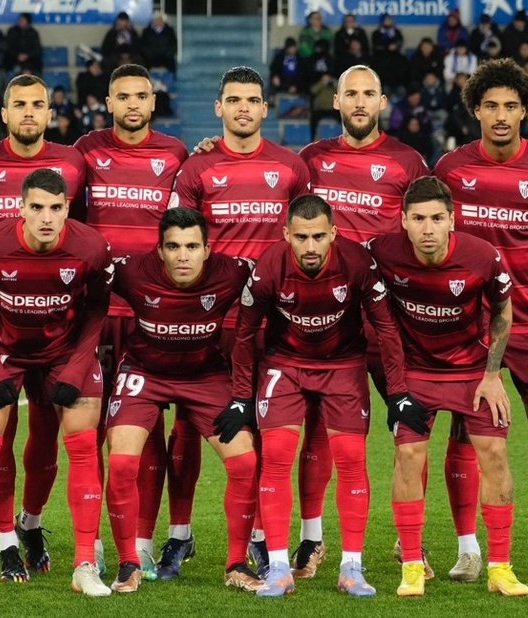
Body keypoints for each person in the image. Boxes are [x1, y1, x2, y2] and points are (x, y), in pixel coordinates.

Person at [433, 58, 528, 583]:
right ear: (475, 109)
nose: (501, 116)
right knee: (465, 434)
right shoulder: (451, 170)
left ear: (525, 110)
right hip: (470, 330)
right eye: (491, 106)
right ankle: (467, 549)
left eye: (511, 106)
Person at [230, 194, 424, 597]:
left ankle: (351, 566)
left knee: (352, 459)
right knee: (278, 456)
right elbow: (245, 333)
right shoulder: (269, 268)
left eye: (319, 236)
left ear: (334, 233)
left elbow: (385, 328)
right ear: (287, 235)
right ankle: (279, 568)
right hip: (285, 364)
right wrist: (239, 397)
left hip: (343, 365)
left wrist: (398, 392)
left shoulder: (357, 263)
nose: (311, 246)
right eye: (301, 237)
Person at [170, 65, 310, 580]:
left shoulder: (291, 168)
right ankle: (178, 536)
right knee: (187, 431)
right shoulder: (196, 168)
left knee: (264, 432)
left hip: (274, 324)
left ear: (265, 108)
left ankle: (256, 540)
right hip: (210, 323)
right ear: (219, 108)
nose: (243, 108)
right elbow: (178, 244)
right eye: (234, 100)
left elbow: (306, 236)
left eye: (253, 100)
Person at [0, 168, 113, 598]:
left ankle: (84, 565)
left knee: (81, 446)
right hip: (4, 348)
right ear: (21, 208)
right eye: (37, 207)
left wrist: (79, 366)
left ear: (67, 210)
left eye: (56, 208)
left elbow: (98, 306)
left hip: (65, 351)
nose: (47, 217)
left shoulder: (90, 247)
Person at [298, 63, 429, 579]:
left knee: (409, 429)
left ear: (381, 103)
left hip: (394, 320)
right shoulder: (310, 161)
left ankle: (407, 541)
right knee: (317, 433)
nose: (358, 102)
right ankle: (311, 540)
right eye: (350, 93)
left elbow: (429, 226)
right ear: (336, 101)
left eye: (368, 94)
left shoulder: (408, 161)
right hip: (325, 320)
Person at [0, 73, 86, 583]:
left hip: (59, 326)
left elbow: (85, 229)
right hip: (0, 328)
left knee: (48, 433)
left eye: (38, 104)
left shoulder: (73, 163)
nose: (29, 112)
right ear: (3, 112)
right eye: (19, 105)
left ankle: (30, 523)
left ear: (50, 112)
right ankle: (6, 540)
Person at [367, 175, 527, 598]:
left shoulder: (482, 256)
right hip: (416, 372)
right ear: (403, 221)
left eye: (437, 218)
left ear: (452, 219)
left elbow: (504, 314)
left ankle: (500, 567)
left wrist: (493, 375)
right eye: (418, 218)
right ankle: (413, 565)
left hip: (473, 371)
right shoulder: (381, 251)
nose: (427, 228)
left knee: (494, 453)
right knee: (407, 455)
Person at [104, 207, 261, 593]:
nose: (183, 256)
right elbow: (84, 281)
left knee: (245, 462)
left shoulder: (235, 271)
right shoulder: (130, 271)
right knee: (122, 462)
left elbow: (276, 280)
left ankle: (237, 564)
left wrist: (243, 392)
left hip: (205, 376)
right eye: (173, 247)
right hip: (145, 373)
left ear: (208, 249)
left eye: (192, 246)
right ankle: (128, 564)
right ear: (159, 251)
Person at [73, 63, 189, 580]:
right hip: (96, 314)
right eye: (124, 96)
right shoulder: (84, 152)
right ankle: (94, 539)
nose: (134, 104)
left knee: (148, 430)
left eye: (142, 95)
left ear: (153, 100)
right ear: (109, 102)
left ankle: (141, 539)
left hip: (152, 316)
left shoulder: (176, 154)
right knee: (91, 431)